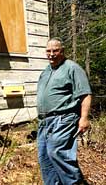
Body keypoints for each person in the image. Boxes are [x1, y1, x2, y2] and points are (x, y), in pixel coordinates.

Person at [37, 37, 92, 185]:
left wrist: (84, 118)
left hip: (64, 118)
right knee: (45, 158)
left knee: (57, 152)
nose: (51, 54)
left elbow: (85, 94)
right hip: (44, 122)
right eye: (48, 51)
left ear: (62, 51)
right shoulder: (46, 71)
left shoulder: (72, 68)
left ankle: (75, 183)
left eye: (55, 50)